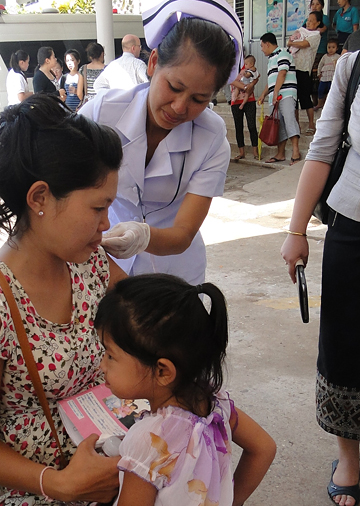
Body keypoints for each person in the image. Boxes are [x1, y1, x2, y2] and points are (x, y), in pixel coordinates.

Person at [0, 94, 128, 505]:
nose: (107, 224)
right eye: (98, 207)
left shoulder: (89, 263)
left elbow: (148, 315)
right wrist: (58, 484)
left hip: (111, 468)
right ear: (39, 199)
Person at [81, 0, 243, 285]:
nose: (180, 108)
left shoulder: (212, 136)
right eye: (174, 87)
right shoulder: (100, 114)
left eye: (199, 99)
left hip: (176, 273)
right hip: (102, 266)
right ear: (153, 62)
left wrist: (144, 236)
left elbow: (183, 232)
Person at [95, 273, 276, 506]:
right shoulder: (216, 405)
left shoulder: (147, 442)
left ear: (162, 371)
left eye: (110, 355)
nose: (101, 365)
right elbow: (264, 448)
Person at [281, 50, 360, 506]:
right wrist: (296, 231)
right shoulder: (353, 66)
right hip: (353, 224)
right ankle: (348, 458)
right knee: (346, 343)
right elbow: (324, 146)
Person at [258, 32, 301, 165]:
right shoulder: (271, 59)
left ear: (267, 44)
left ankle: (295, 151)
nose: (261, 49)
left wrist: (276, 92)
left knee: (289, 120)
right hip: (274, 96)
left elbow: (282, 73)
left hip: (286, 93)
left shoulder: (282, 52)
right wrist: (264, 94)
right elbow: (272, 80)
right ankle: (281, 154)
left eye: (262, 46)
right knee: (278, 124)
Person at [287, 10, 322, 136]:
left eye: (312, 21)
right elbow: (290, 41)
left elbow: (303, 44)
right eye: (308, 20)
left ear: (318, 23)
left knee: (305, 98)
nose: (309, 23)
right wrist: (291, 42)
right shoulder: (301, 31)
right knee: (294, 99)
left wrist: (291, 43)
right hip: (293, 68)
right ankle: (296, 125)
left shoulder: (316, 36)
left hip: (304, 69)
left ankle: (311, 124)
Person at [230, 55, 259, 161]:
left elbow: (257, 76)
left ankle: (255, 152)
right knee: (239, 127)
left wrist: (252, 84)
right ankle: (241, 152)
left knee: (252, 126)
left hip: (249, 100)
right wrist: (245, 87)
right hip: (235, 101)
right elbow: (231, 81)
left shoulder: (246, 65)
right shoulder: (230, 68)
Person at [302, 0, 330, 107]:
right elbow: (302, 32)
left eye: (317, 4)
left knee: (319, 76)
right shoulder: (306, 20)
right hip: (308, 51)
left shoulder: (325, 18)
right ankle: (314, 101)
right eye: (312, 4)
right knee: (310, 77)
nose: (314, 6)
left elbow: (321, 30)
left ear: (322, 6)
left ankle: (321, 102)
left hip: (320, 50)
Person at [315, 38, 340, 111]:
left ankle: (329, 104)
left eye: (333, 47)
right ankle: (319, 104)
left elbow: (339, 67)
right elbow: (320, 65)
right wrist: (318, 73)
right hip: (324, 77)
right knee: (320, 90)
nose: (331, 49)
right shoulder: (324, 57)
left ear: (337, 48)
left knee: (330, 90)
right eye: (329, 47)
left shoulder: (338, 57)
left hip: (332, 78)